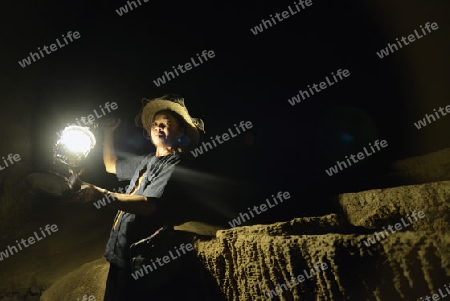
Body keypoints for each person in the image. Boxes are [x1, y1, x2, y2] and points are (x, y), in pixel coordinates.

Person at [76, 94, 207, 300]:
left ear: (181, 131)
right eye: (155, 124)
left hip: (142, 259)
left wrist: (101, 193)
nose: (159, 127)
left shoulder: (175, 164)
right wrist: (108, 133)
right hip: (118, 253)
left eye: (166, 124)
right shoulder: (146, 160)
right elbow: (111, 165)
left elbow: (148, 206)